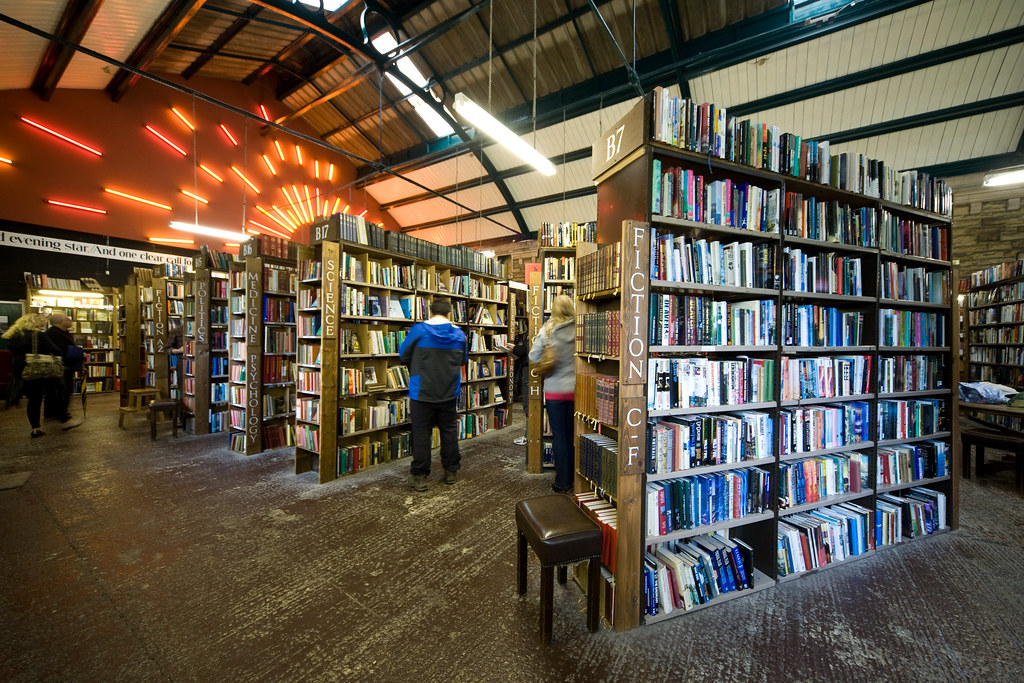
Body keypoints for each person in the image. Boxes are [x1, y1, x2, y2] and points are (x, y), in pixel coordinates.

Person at [399, 298, 468, 492]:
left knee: (422, 434)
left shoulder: (419, 330)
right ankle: (451, 472)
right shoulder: (459, 334)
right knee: (449, 432)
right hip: (448, 391)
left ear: (430, 312)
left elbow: (403, 354)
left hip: (422, 392)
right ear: (449, 313)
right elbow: (463, 360)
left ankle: (420, 476)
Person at [528, 294, 576, 494]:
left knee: (559, 436)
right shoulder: (581, 328)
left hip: (555, 391)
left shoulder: (547, 330)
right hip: (576, 390)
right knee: (573, 435)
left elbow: (533, 356)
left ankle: (562, 482)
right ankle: (575, 478)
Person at [3, 313, 63, 438]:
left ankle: (34, 425)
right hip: (36, 370)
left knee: (31, 399)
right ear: (36, 323)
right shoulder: (39, 335)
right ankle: (36, 428)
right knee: (36, 399)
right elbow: (56, 350)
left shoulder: (13, 336)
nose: (42, 326)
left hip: (20, 371)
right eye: (41, 324)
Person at [44, 312, 82, 424]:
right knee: (61, 390)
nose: (71, 321)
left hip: (64, 365)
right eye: (68, 319)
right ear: (61, 322)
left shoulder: (62, 332)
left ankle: (56, 412)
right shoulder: (53, 333)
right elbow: (61, 349)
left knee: (61, 389)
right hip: (60, 366)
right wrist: (79, 352)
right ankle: (60, 413)